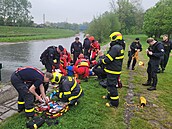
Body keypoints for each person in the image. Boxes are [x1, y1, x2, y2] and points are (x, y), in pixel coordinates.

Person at [98, 32, 124, 108]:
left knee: (112, 86)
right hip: (114, 69)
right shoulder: (119, 47)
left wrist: (101, 58)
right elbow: (111, 57)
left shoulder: (115, 48)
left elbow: (108, 60)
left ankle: (114, 102)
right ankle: (109, 96)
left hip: (113, 70)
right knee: (109, 84)